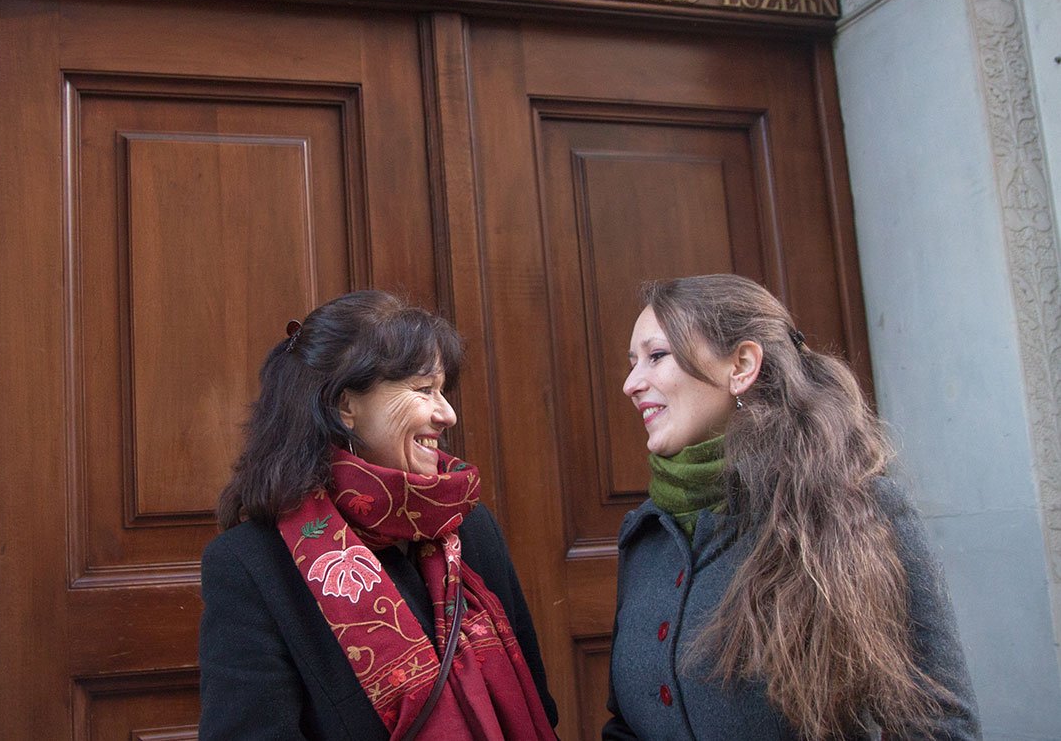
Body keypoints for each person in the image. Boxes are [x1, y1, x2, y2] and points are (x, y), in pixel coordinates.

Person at [604, 274, 980, 740]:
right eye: (632, 363)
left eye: (656, 356)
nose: (631, 383)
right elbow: (626, 725)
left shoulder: (856, 507)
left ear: (741, 365)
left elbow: (936, 722)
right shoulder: (646, 537)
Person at [199, 290, 559, 740]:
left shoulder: (469, 525)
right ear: (346, 406)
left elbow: (537, 705)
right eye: (424, 390)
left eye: (443, 391)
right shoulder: (253, 563)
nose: (446, 414)